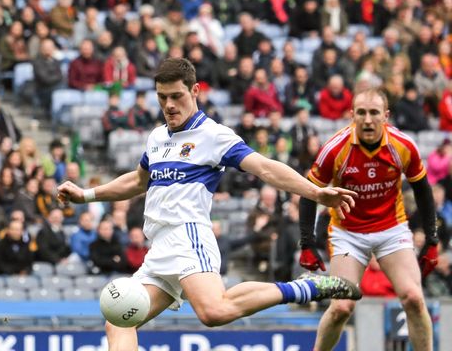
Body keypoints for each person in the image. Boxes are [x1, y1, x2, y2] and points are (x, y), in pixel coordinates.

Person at [57, 58, 361, 350]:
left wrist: (316, 193)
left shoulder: (213, 135)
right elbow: (138, 181)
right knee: (120, 321)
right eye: (162, 98)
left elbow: (264, 167)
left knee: (214, 311)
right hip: (159, 245)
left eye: (176, 96)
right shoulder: (157, 138)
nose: (169, 105)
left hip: (188, 236)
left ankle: (307, 288)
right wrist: (86, 195)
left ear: (195, 91)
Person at [298, 88, 438, 351]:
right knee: (341, 307)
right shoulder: (335, 149)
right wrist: (307, 242)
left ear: (386, 116)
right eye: (361, 112)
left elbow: (423, 190)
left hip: (391, 229)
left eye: (374, 113)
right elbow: (309, 192)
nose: (367, 119)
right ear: (352, 115)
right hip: (348, 232)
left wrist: (431, 238)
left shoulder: (403, 146)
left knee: (414, 299)